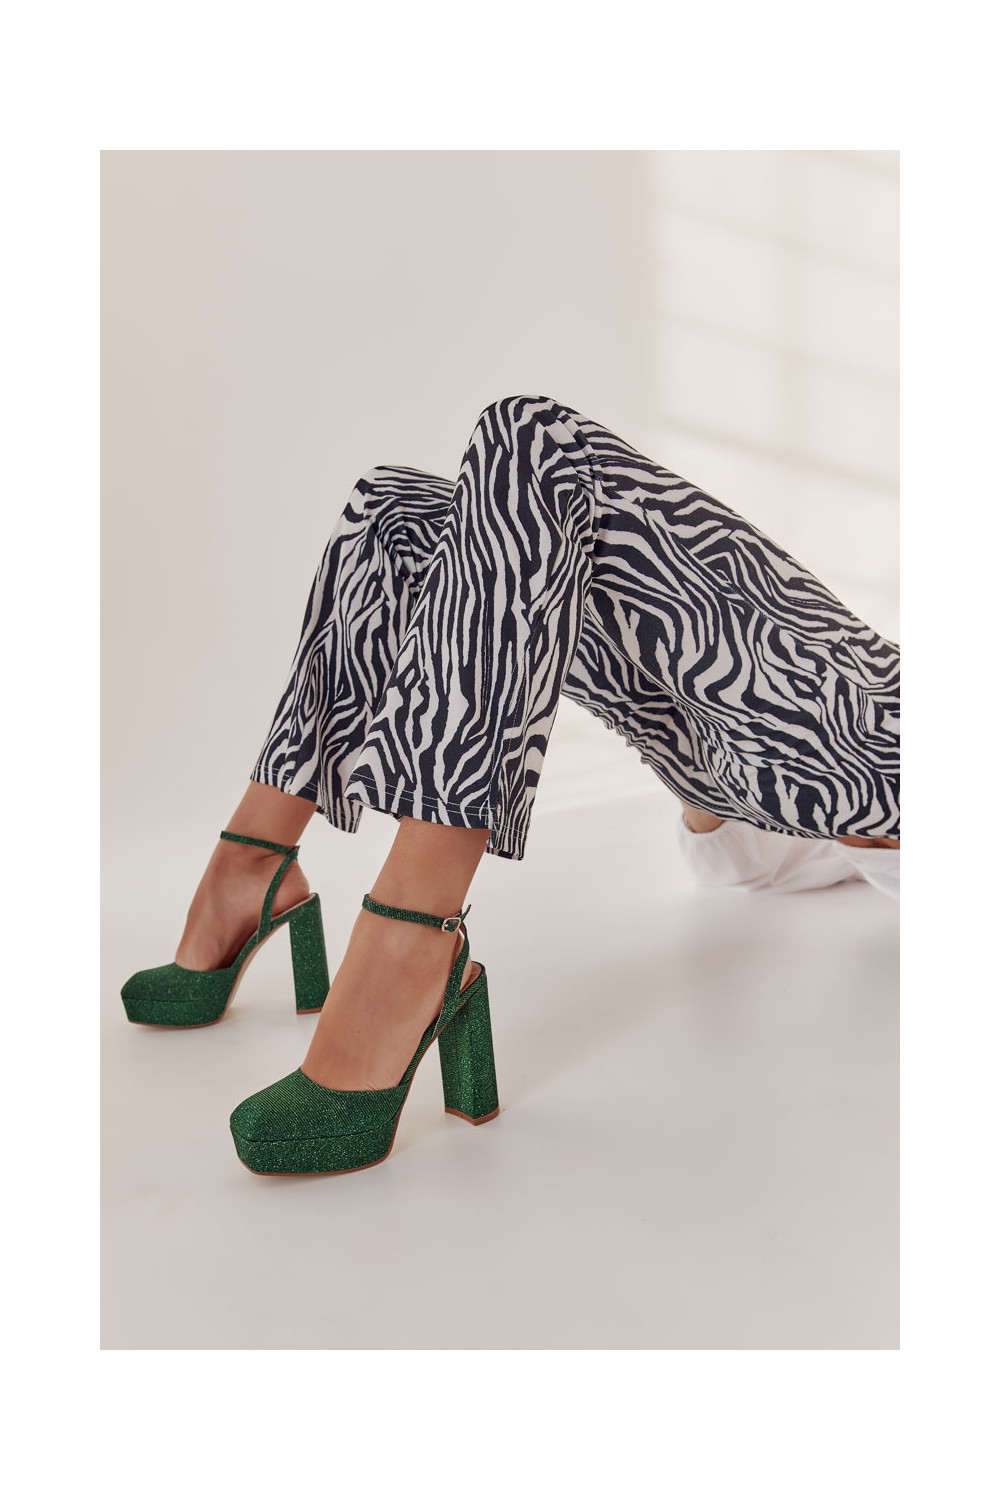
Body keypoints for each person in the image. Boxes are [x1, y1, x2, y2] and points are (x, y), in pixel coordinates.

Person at [121, 393, 900, 1176]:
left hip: (854, 746)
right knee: (393, 513)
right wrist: (691, 741)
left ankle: (409, 939)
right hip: (785, 743)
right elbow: (750, 871)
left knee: (534, 439)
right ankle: (252, 860)